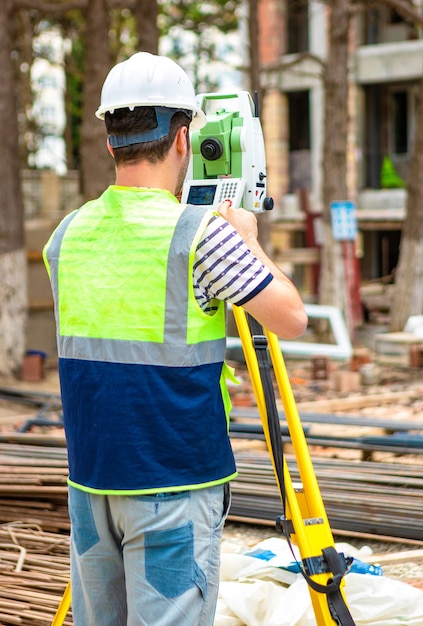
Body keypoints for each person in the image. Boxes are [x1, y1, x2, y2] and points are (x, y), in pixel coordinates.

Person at [43, 51, 307, 626]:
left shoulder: (64, 238)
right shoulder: (201, 236)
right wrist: (248, 240)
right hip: (174, 483)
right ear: (184, 138)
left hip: (91, 483)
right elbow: (290, 318)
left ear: (111, 140)